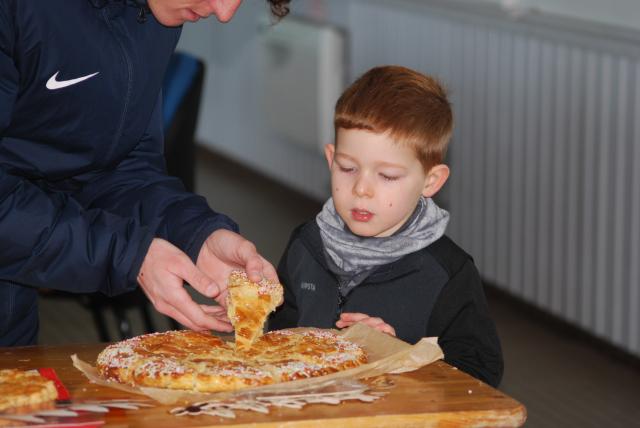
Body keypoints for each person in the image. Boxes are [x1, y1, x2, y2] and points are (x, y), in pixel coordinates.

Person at [0, 0, 290, 347]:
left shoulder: (151, 14)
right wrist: (127, 254)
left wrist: (195, 235)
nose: (224, 12)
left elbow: (121, 166)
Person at [268, 65, 504, 387]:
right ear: (331, 159)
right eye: (348, 168)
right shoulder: (306, 245)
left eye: (388, 176)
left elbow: (480, 373)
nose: (362, 189)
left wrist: (398, 354)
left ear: (430, 181)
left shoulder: (447, 273)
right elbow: (279, 334)